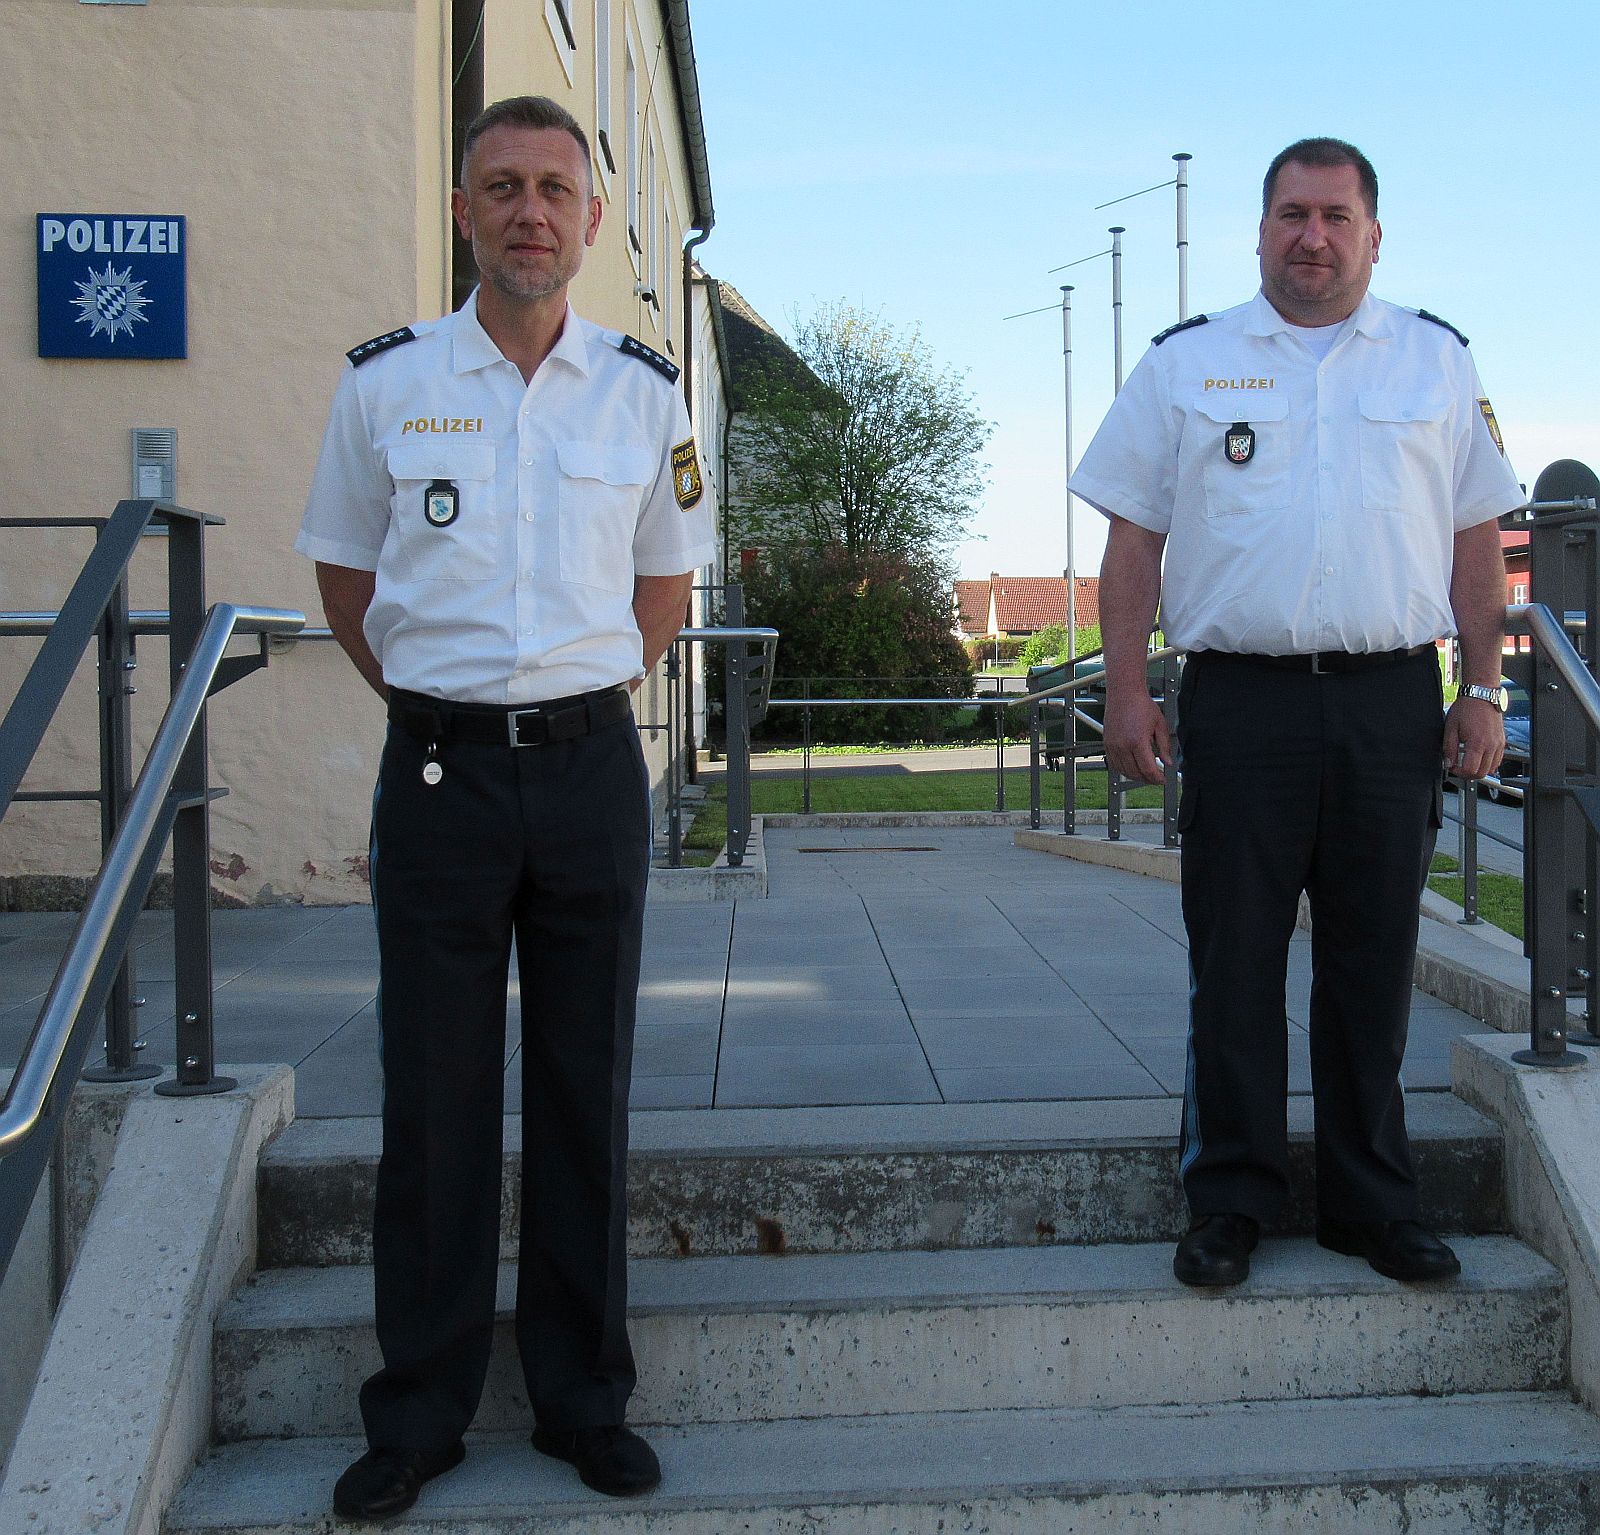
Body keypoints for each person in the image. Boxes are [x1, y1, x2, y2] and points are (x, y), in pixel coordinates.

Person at [295, 95, 714, 1519]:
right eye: (502, 186)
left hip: (591, 772)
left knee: (587, 1087)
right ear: (464, 210)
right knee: (435, 1096)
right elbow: (347, 582)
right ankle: (416, 1410)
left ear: (594, 222)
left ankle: (583, 1398)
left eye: (556, 188)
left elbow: (665, 586)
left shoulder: (646, 393)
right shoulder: (386, 385)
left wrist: (570, 698)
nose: (531, 210)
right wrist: (446, 700)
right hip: (440, 775)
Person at [1070, 137, 1521, 1290]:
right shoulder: (1187, 363)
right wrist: (1126, 686)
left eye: (1333, 214)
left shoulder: (1434, 361)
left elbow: (1477, 542)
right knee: (1233, 964)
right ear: (1258, 230)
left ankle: (1372, 1205)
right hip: (1240, 705)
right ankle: (1228, 1198)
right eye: (1289, 214)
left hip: (1386, 703)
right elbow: (1131, 538)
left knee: (1373, 963)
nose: (1310, 235)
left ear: (1374, 233)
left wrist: (1481, 686)